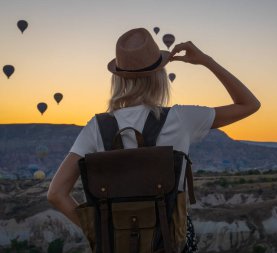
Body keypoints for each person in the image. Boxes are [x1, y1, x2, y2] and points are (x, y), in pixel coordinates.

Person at [47, 28, 260, 251]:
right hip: (171, 244)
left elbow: (56, 194)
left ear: (118, 79)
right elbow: (249, 104)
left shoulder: (97, 127)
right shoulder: (181, 118)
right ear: (160, 76)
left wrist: (102, 233)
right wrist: (207, 61)